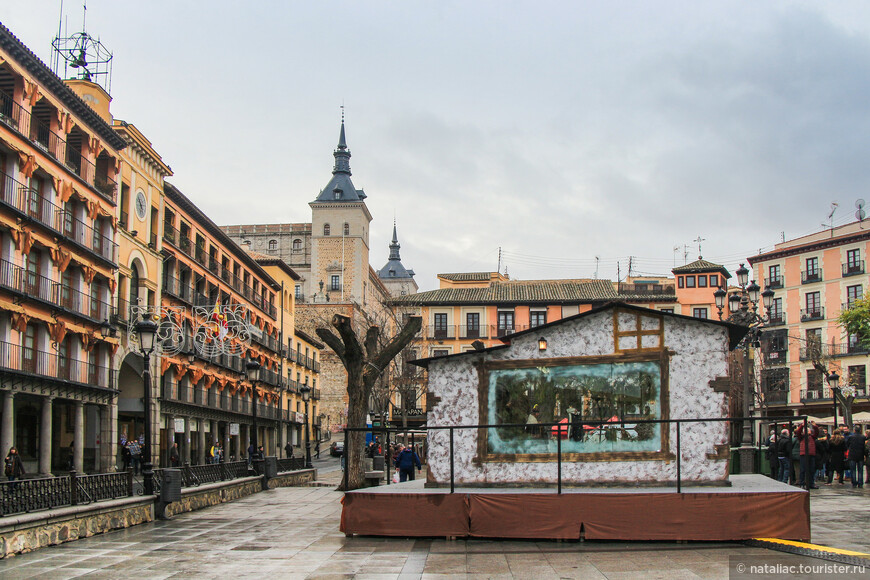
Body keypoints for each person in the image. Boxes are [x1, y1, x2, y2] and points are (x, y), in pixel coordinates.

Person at [795, 421, 820, 489]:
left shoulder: (813, 437)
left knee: (811, 470)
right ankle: (802, 483)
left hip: (811, 454)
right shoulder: (801, 437)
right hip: (803, 454)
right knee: (803, 470)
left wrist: (814, 426)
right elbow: (798, 432)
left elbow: (817, 432)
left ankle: (811, 483)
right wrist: (802, 425)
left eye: (808, 430)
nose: (807, 431)